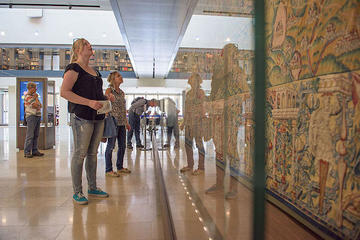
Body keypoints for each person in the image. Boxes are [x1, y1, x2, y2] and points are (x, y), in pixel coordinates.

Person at [60, 38, 111, 205]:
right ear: (78, 50)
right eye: (86, 44)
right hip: (82, 116)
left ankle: (93, 186)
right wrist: (88, 102)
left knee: (93, 153)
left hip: (98, 116)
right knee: (80, 153)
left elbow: (96, 94)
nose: (90, 46)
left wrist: (105, 98)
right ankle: (77, 191)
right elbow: (65, 92)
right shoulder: (74, 69)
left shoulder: (95, 72)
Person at [104, 71, 131, 177]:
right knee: (111, 146)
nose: (121, 77)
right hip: (113, 121)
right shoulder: (109, 90)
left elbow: (123, 108)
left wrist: (126, 122)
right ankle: (108, 169)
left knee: (122, 146)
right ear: (113, 79)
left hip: (121, 122)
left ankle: (119, 167)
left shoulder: (122, 92)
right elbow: (105, 104)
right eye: (118, 76)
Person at [180, 73, 206, 175]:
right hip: (189, 123)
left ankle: (201, 167)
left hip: (198, 122)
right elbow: (186, 109)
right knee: (187, 144)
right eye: (190, 80)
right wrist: (184, 122)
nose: (191, 82)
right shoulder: (189, 93)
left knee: (199, 144)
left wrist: (203, 119)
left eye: (193, 80)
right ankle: (190, 165)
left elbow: (203, 106)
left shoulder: (200, 92)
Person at [23, 82, 44, 158]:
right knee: (30, 135)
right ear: (30, 88)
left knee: (36, 134)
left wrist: (36, 99)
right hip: (31, 116)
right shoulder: (28, 97)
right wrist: (36, 99)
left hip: (37, 116)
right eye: (34, 88)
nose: (36, 89)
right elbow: (35, 106)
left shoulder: (35, 97)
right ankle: (27, 151)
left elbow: (40, 106)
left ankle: (35, 150)